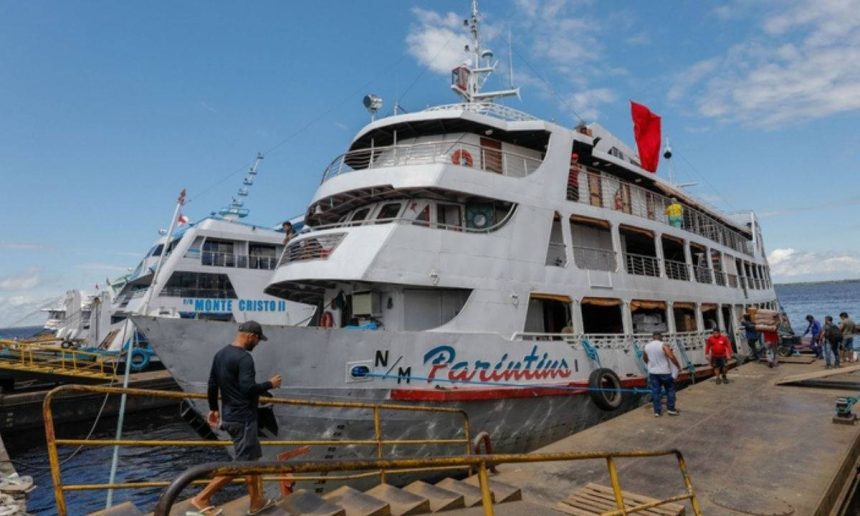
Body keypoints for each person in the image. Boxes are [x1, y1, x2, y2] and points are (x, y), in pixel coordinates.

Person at [191, 321, 282, 515]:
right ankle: (202, 498)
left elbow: (212, 384)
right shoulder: (244, 358)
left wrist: (213, 409)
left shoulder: (221, 354)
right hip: (244, 419)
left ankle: (256, 501)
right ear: (251, 336)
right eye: (257, 340)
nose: (257, 344)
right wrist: (270, 384)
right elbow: (247, 388)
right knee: (242, 463)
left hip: (230, 416)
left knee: (251, 459)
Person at [643, 332, 682, 417]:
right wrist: (678, 366)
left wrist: (651, 365)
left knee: (656, 392)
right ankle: (671, 409)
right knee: (670, 390)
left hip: (653, 373)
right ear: (661, 337)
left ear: (653, 337)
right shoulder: (663, 345)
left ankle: (657, 411)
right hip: (665, 372)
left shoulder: (647, 346)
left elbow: (645, 359)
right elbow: (671, 357)